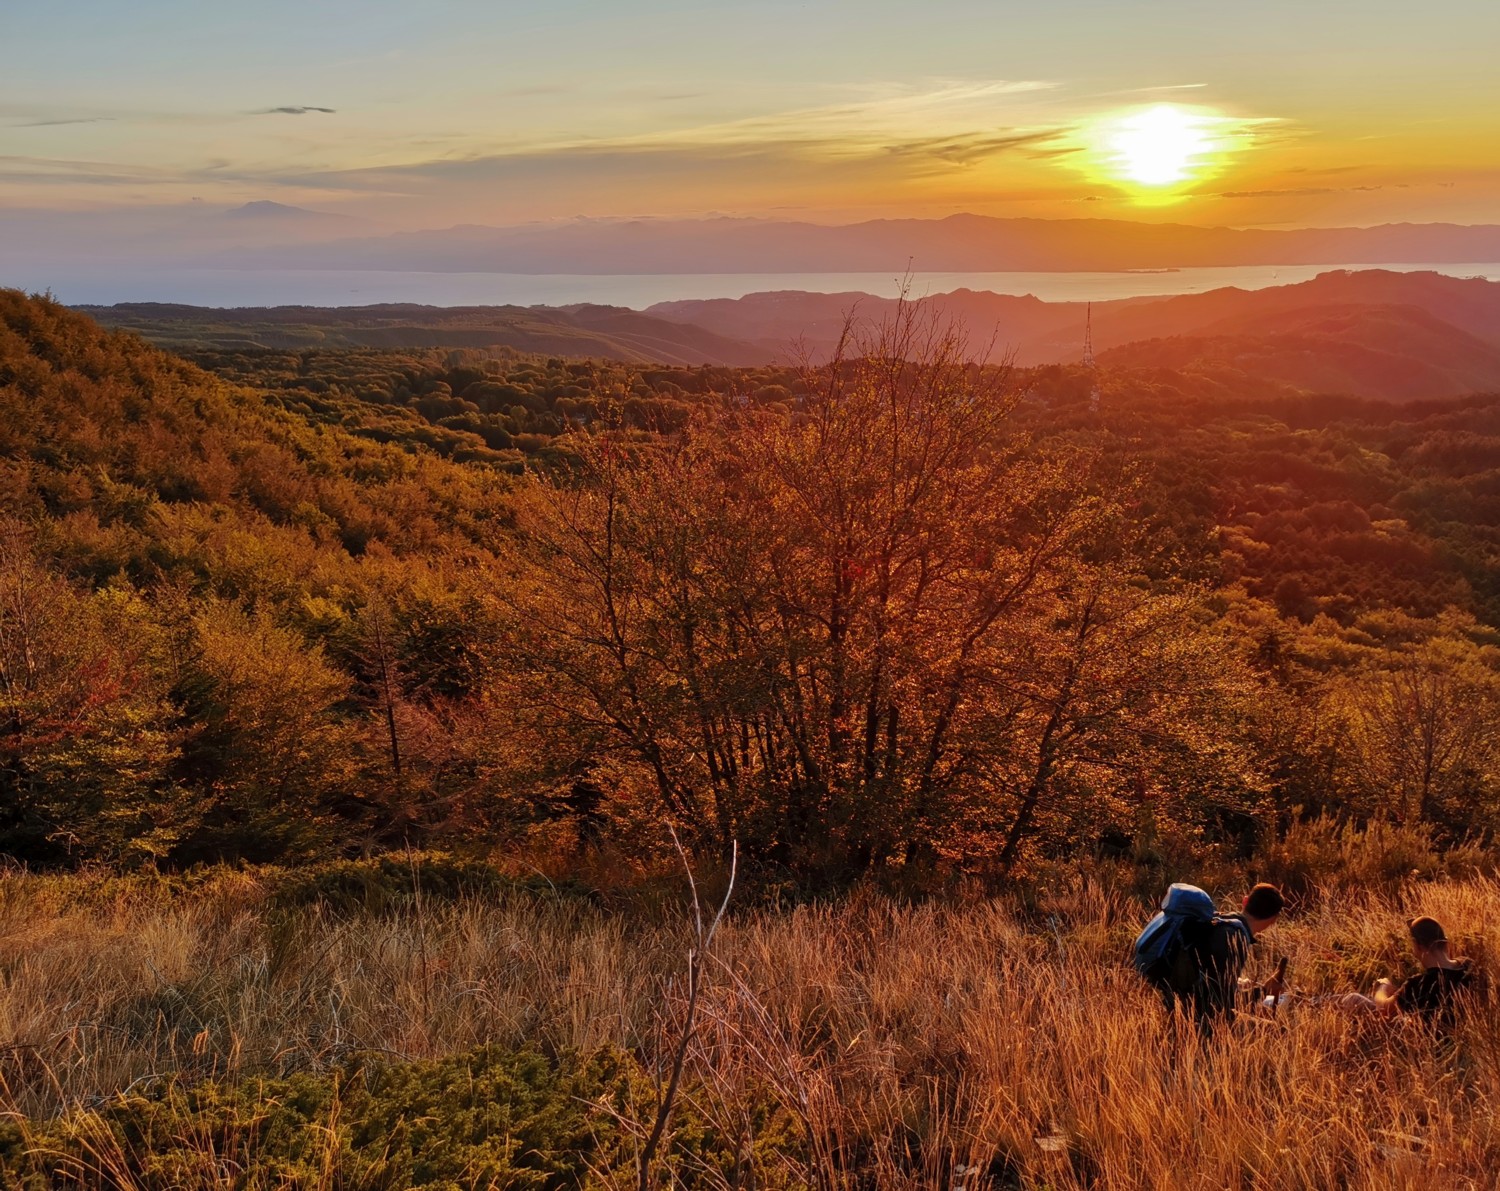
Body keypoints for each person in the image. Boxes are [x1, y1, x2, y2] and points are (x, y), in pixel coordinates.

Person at [1140, 882, 1285, 1031]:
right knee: (1278, 1031)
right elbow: (1221, 1004)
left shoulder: (1220, 922)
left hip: (1179, 1004)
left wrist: (1239, 985)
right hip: (1201, 1020)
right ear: (1273, 919)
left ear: (1245, 900)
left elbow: (1209, 978)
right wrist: (1264, 992)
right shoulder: (1235, 939)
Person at [1344, 916, 1478, 1027]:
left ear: (1417, 946)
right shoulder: (1468, 965)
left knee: (1353, 999)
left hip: (1426, 1040)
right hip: (1458, 1033)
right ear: (1444, 942)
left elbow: (1383, 1007)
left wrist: (1383, 987)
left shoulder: (1419, 984)